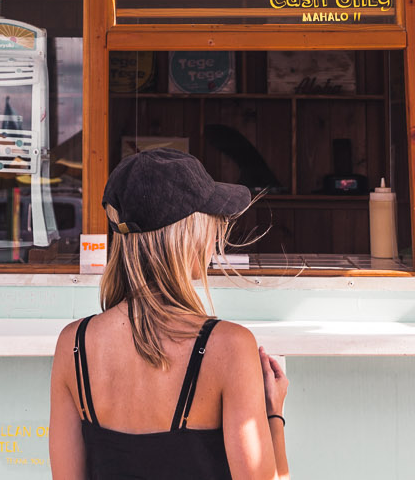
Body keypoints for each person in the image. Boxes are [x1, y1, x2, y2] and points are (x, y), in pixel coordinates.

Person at [49, 148, 290, 480]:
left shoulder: (73, 344)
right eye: (209, 222)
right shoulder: (229, 347)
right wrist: (272, 414)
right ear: (189, 234)